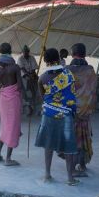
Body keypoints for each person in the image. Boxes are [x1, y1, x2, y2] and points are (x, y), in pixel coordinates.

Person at [35, 48, 79, 185]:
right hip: (65, 114)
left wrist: (51, 105)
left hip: (48, 114)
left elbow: (42, 97)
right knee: (68, 146)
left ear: (46, 61)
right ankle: (70, 178)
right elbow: (72, 95)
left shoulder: (42, 78)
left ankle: (47, 175)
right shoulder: (68, 75)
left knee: (48, 145)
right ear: (59, 58)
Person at [67, 43, 97, 175]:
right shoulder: (90, 70)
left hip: (71, 109)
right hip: (85, 109)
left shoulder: (67, 69)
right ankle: (82, 165)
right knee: (84, 137)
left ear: (72, 54)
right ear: (84, 54)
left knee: (73, 138)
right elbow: (93, 90)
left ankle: (72, 168)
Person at [0, 43, 23, 166]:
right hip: (13, 99)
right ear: (11, 52)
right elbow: (20, 86)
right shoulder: (15, 67)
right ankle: (8, 159)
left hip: (2, 99)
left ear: (0, 52)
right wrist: (25, 101)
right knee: (13, 127)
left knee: (5, 127)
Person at [17, 44, 39, 116]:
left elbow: (33, 68)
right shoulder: (20, 59)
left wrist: (32, 75)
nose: (26, 53)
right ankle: (29, 106)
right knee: (25, 91)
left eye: (27, 51)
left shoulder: (32, 57)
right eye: (24, 51)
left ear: (28, 51)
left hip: (31, 75)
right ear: (22, 52)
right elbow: (22, 69)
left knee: (35, 89)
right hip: (24, 76)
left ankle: (34, 103)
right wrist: (29, 75)